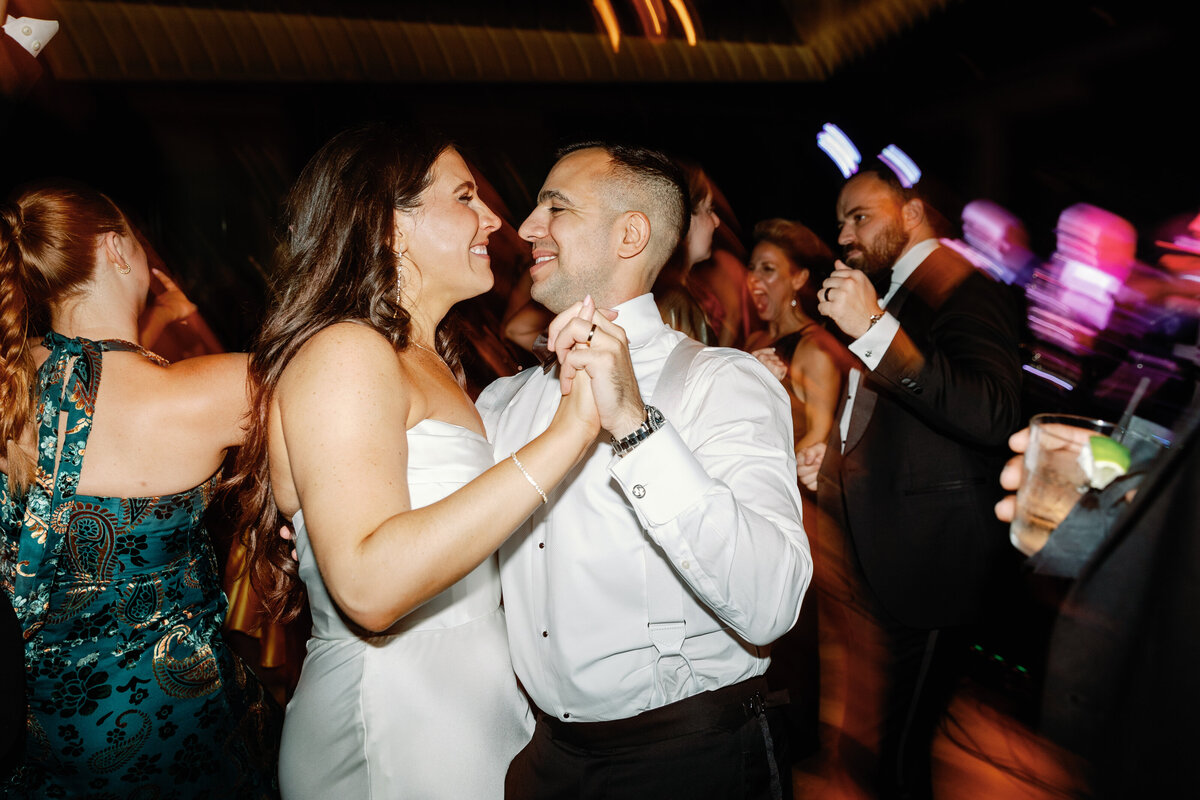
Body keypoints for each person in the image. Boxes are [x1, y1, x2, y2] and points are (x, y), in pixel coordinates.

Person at [230, 125, 602, 799]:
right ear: (388, 224)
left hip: (469, 706)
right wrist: (569, 435)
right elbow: (369, 587)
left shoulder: (429, 361)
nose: (494, 218)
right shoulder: (346, 350)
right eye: (465, 196)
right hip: (397, 720)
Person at [480, 142, 811, 800]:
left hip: (688, 759)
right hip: (543, 758)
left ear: (631, 233)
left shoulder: (725, 383)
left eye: (556, 207)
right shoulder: (501, 403)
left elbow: (773, 603)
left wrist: (635, 424)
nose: (525, 228)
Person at [0, 181, 280, 797]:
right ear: (115, 250)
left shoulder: (12, 387)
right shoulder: (213, 390)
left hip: (39, 725)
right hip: (174, 726)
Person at [806, 165, 1023, 799]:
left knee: (898, 757)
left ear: (912, 213)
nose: (845, 232)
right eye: (841, 219)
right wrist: (832, 455)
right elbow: (896, 420)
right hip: (891, 556)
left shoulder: (964, 290)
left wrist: (875, 330)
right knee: (887, 748)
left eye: (861, 215)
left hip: (937, 561)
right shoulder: (900, 292)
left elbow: (990, 412)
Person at [745, 218, 848, 456]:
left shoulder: (815, 349)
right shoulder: (753, 340)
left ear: (798, 279)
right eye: (752, 268)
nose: (753, 278)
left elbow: (817, 437)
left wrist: (768, 475)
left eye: (767, 268)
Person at [653, 159, 720, 344]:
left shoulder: (673, 292)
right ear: (684, 218)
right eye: (709, 210)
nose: (716, 221)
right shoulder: (673, 299)